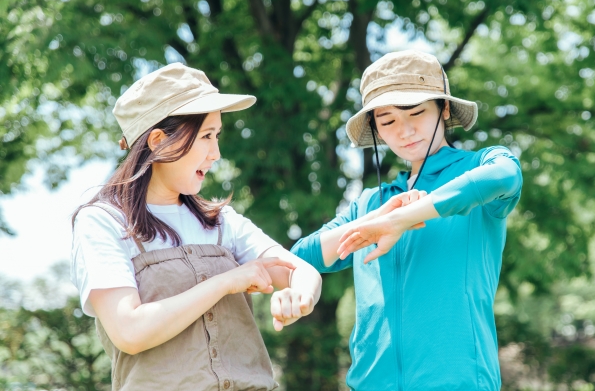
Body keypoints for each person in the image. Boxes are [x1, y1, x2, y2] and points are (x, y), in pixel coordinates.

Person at [70, 63, 322, 390]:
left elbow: (300, 271)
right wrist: (226, 282)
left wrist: (300, 295)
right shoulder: (103, 222)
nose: (216, 153)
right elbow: (130, 332)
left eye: (217, 136)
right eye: (205, 136)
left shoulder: (221, 222)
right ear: (159, 142)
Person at [291, 50, 523, 391]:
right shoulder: (371, 202)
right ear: (375, 129)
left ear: (443, 109)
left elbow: (506, 175)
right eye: (387, 121)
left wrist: (403, 219)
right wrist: (376, 220)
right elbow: (300, 257)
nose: (405, 130)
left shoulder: (479, 165)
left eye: (416, 112)